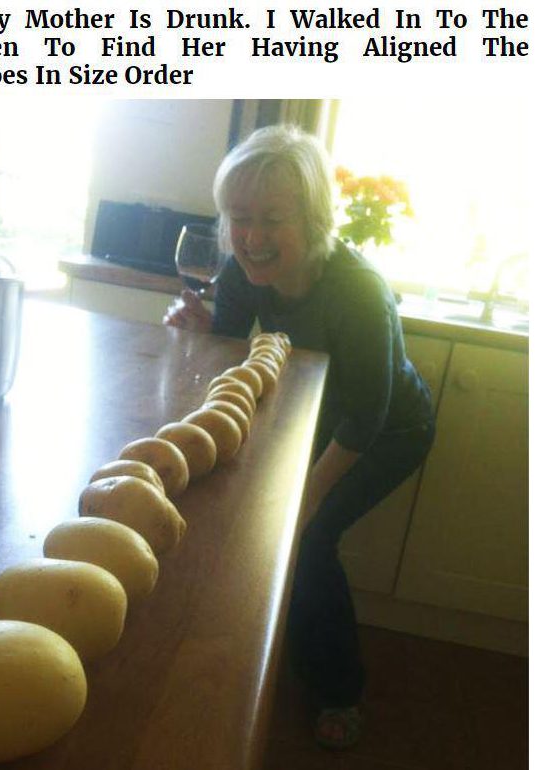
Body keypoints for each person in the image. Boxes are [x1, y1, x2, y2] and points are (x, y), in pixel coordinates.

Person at [163, 125, 435, 749]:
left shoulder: (358, 292)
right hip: (316, 413)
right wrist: (194, 333)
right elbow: (231, 359)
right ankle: (263, 637)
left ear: (313, 218)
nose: (252, 238)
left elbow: (366, 418)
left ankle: (340, 690)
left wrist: (302, 501)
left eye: (271, 219)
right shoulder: (238, 269)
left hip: (389, 429)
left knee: (306, 542)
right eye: (239, 219)